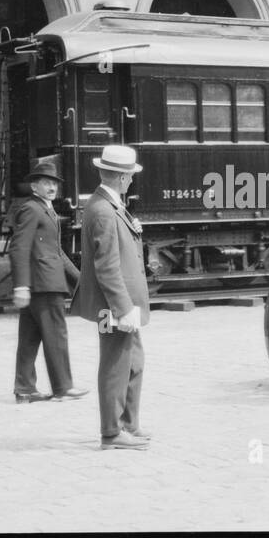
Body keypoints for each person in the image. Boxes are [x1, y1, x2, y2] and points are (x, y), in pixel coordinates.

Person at [71, 145, 152, 451]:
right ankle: (111, 431)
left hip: (122, 303)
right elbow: (106, 267)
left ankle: (128, 423)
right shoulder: (103, 211)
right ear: (120, 178)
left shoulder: (109, 205)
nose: (131, 180)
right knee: (115, 364)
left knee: (133, 362)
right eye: (130, 176)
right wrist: (123, 308)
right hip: (114, 306)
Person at [9, 159, 88, 405]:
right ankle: (63, 387)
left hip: (43, 282)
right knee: (56, 334)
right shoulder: (32, 209)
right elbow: (18, 248)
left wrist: (80, 280)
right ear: (34, 186)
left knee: (30, 338)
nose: (51, 187)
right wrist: (21, 285)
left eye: (54, 183)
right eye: (46, 183)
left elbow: (57, 253)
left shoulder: (46, 209)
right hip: (44, 283)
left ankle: (24, 389)